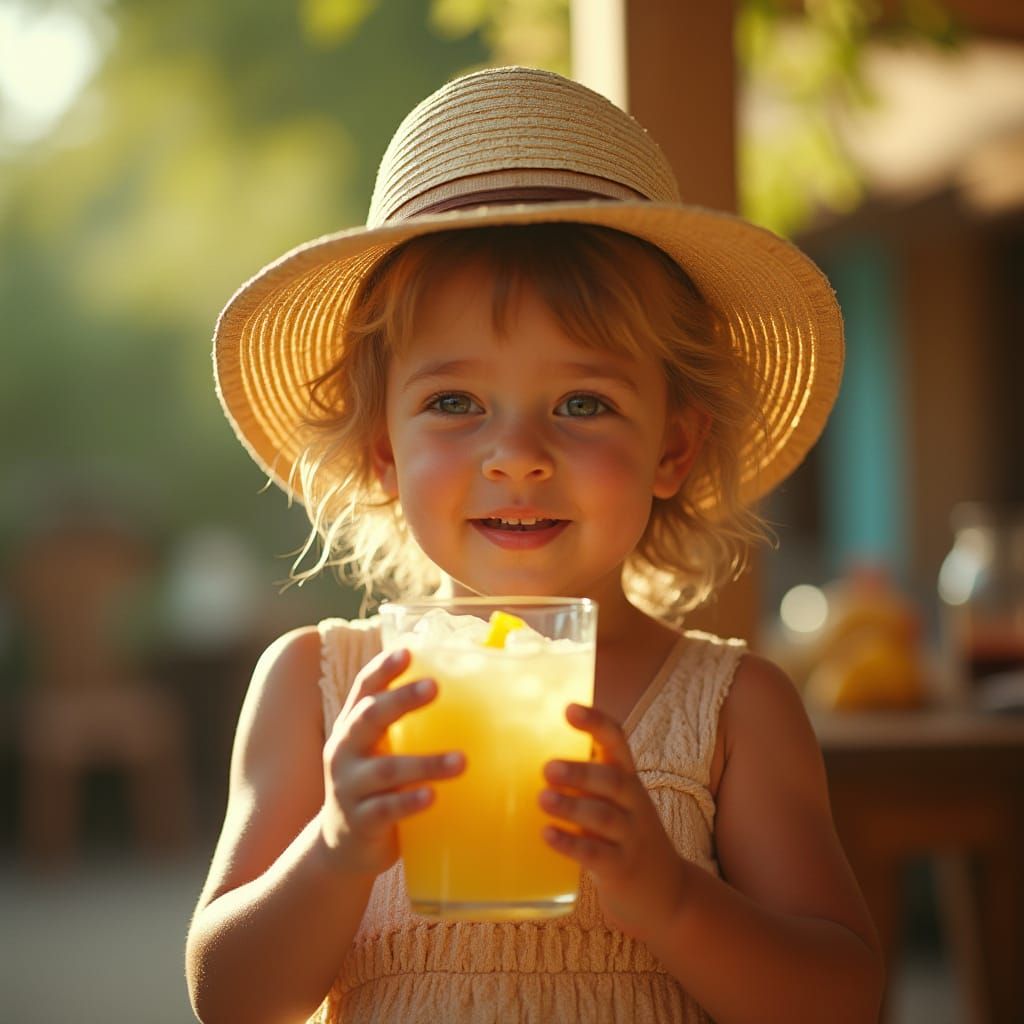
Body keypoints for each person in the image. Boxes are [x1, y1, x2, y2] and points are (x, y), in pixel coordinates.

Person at [186, 66, 883, 1024]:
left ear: (671, 447)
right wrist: (338, 846)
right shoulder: (317, 689)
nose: (517, 456)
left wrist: (673, 897)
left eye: (583, 403)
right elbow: (229, 998)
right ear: (386, 449)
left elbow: (840, 998)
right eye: (455, 403)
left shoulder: (733, 712)